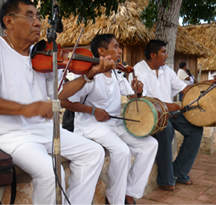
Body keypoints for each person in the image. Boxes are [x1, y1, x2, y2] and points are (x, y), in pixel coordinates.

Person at [0, 0, 116, 204]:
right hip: (10, 135)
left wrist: (89, 75)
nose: (37, 23)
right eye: (29, 16)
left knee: (93, 152)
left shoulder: (42, 53)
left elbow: (60, 93)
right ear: (9, 21)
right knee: (52, 171)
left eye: (37, 17)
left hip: (42, 130)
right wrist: (26, 109)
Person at [61, 34, 158, 204]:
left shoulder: (117, 73)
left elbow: (132, 98)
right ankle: (116, 200)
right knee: (122, 151)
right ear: (101, 51)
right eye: (116, 46)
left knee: (150, 144)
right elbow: (64, 101)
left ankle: (130, 191)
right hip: (91, 125)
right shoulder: (89, 74)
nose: (120, 51)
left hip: (114, 123)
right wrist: (92, 110)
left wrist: (139, 92)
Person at [129, 40, 203, 191]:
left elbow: (184, 89)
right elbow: (144, 100)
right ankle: (166, 179)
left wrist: (204, 86)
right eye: (163, 52)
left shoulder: (167, 70)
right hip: (150, 115)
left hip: (170, 112)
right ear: (153, 55)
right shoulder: (139, 70)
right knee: (166, 129)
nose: (166, 55)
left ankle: (179, 172)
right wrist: (171, 107)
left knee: (195, 130)